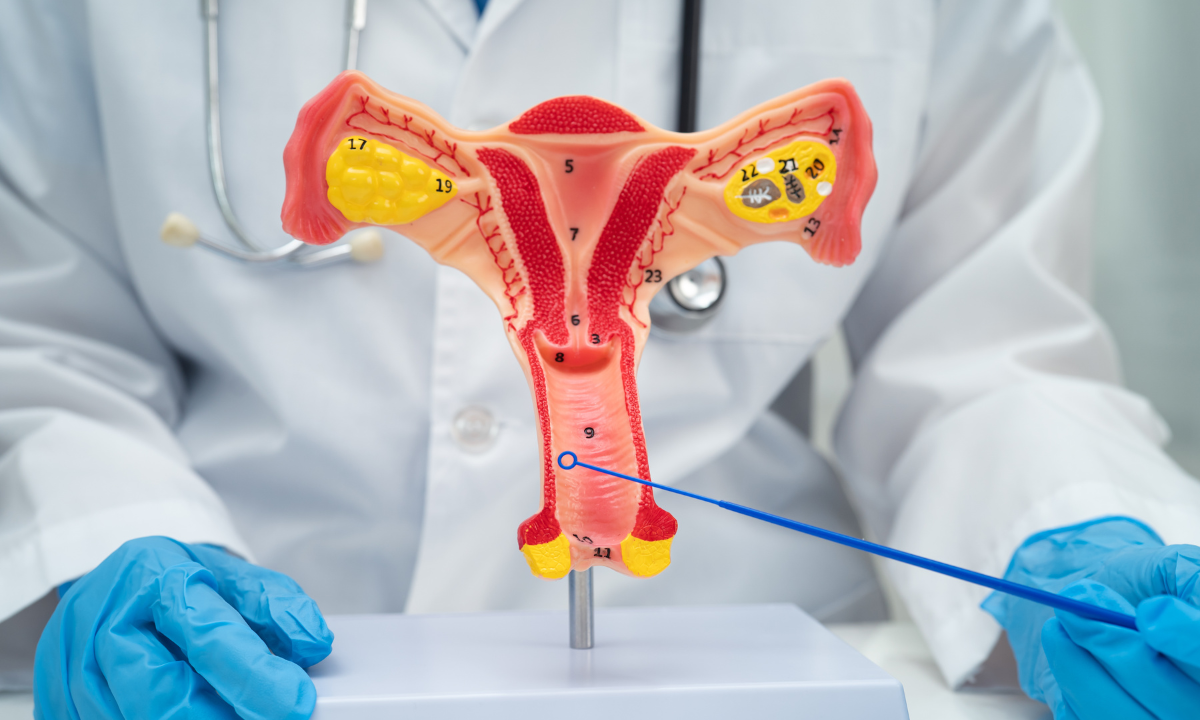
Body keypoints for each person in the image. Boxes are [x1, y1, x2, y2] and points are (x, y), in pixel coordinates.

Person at [1, 1, 1197, 718]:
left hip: (746, 671)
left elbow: (982, 345)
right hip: (274, 671)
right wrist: (108, 538)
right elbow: (39, 332)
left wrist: (1068, 529)